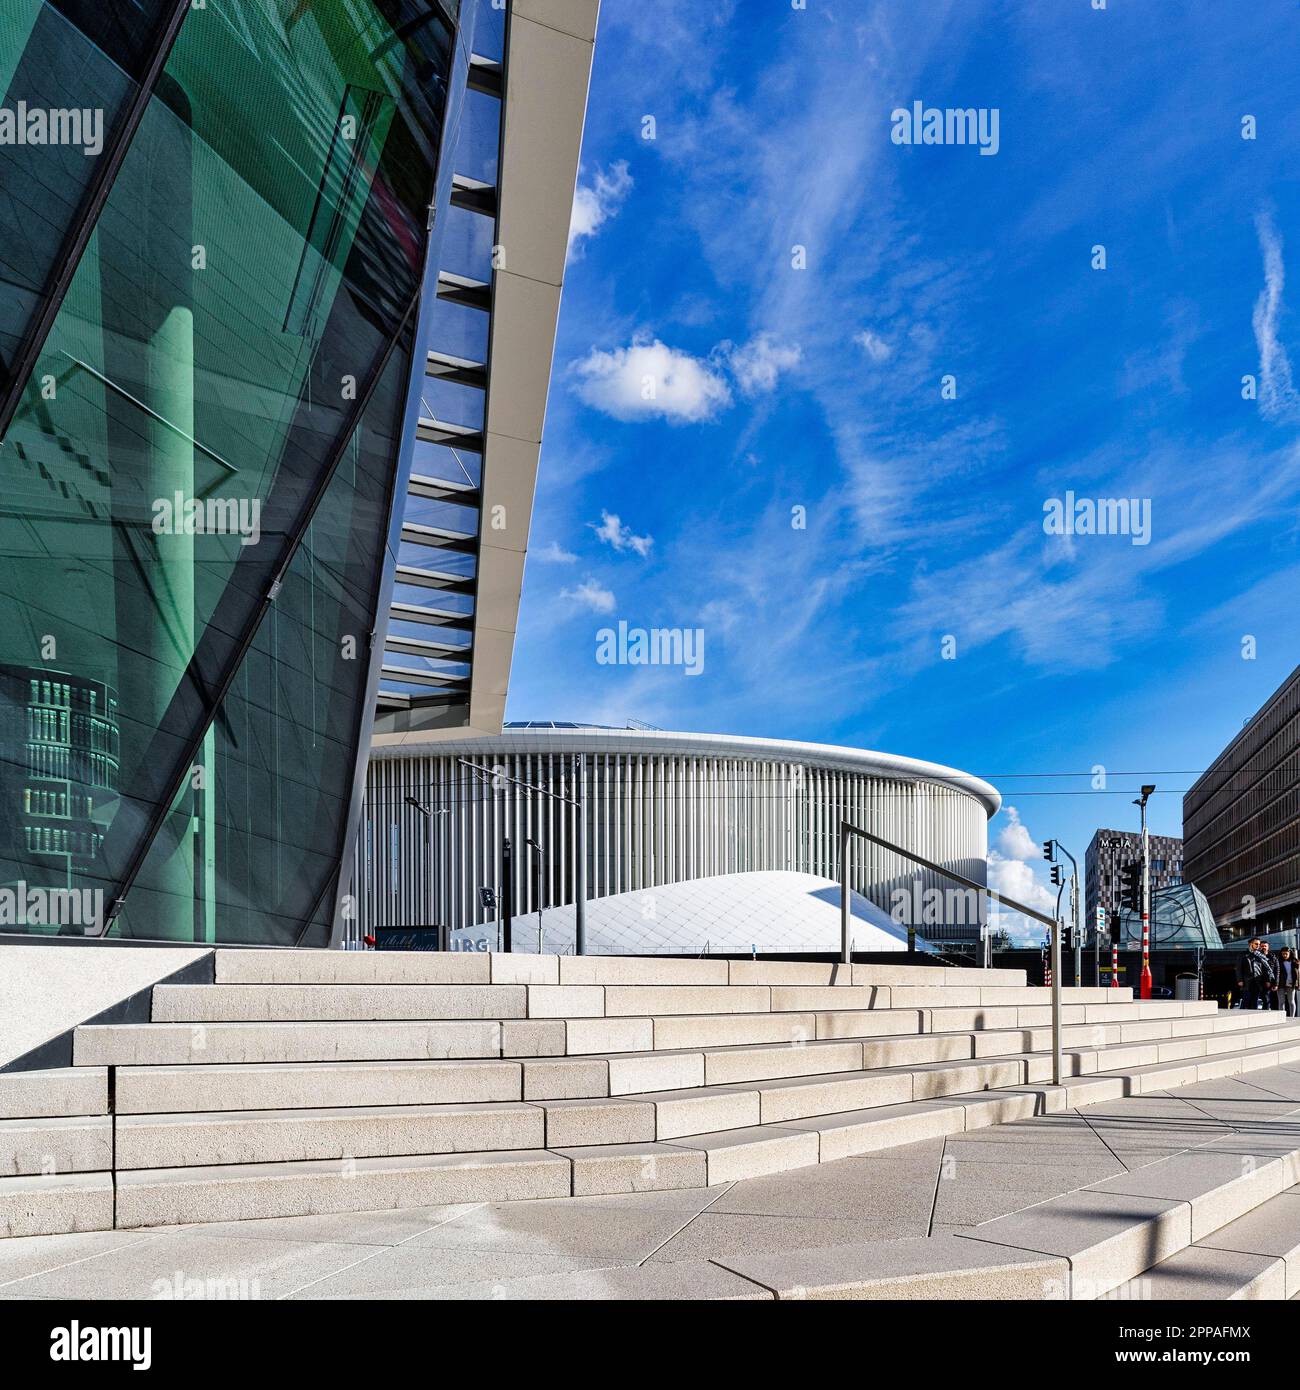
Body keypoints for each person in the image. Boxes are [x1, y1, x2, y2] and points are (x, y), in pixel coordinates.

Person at [1238, 940, 1269, 1009]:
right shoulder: (1243, 954)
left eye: (1259, 944)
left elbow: (1264, 969)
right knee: (1246, 1000)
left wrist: (1267, 980)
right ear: (1250, 944)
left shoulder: (1260, 955)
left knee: (1255, 1001)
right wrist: (1240, 980)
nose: (1258, 946)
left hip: (1257, 981)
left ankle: (1253, 1017)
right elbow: (1239, 968)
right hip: (1247, 981)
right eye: (1256, 944)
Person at [1277, 947, 1298, 1018]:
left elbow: (1298, 974)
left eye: (1286, 954)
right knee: (1281, 1002)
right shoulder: (1278, 962)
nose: (1285, 955)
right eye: (1283, 954)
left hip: (1291, 983)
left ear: (1290, 953)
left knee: (1291, 1001)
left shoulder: (1295, 962)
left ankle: (1292, 1017)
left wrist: (1297, 984)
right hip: (1280, 984)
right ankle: (1281, 1017)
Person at [1261, 942, 1280, 1009]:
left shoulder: (1273, 957)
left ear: (1268, 947)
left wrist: (1276, 984)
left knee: (1270, 1000)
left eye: (1265, 946)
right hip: (1260, 982)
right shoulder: (1257, 956)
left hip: (1271, 982)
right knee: (1265, 1000)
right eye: (1262, 946)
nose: (1263, 947)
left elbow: (1277, 971)